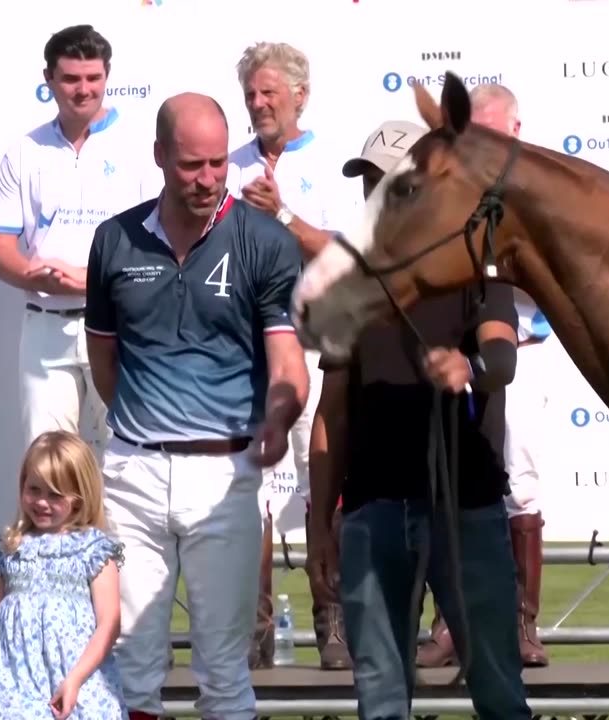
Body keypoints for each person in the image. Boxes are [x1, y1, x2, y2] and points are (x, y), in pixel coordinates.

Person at [84, 92, 309, 720]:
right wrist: (144, 433)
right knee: (131, 663)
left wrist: (280, 414)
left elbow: (288, 363)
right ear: (159, 157)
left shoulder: (264, 240)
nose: (209, 178)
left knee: (224, 669)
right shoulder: (114, 241)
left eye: (217, 163)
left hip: (225, 473)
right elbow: (105, 363)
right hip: (132, 474)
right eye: (191, 165)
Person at [306, 120, 533, 720]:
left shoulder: (474, 264)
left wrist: (472, 364)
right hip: (371, 511)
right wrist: (319, 528)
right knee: (380, 700)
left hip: (467, 507)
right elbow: (331, 414)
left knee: (499, 694)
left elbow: (503, 357)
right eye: (370, 184)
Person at [225, 40, 361, 671]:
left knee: (321, 486)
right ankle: (252, 631)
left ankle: (330, 622)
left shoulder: (333, 162)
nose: (258, 104)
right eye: (252, 93)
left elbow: (349, 253)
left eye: (269, 93)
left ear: (300, 96)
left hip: (320, 342)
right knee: (244, 490)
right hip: (248, 350)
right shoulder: (227, 165)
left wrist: (283, 216)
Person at [417, 82, 551, 670]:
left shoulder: (545, 186)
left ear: (517, 132)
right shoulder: (463, 184)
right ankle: (449, 623)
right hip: (460, 348)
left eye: (492, 135)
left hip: (527, 342)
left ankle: (522, 624)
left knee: (518, 485)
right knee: (451, 480)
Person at [0, 24, 156, 459]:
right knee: (47, 462)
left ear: (107, 76)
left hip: (119, 324)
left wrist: (91, 280)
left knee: (124, 461)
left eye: (94, 78)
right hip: (45, 323)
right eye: (71, 79)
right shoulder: (24, 151)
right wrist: (34, 273)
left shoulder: (139, 147)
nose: (84, 90)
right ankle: (57, 534)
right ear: (49, 80)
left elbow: (160, 246)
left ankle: (116, 534)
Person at [0, 430, 125, 720]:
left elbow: (109, 624)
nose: (42, 502)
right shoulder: (10, 548)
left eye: (55, 494)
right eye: (34, 489)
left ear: (78, 497)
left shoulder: (93, 550)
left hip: (78, 683)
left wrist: (76, 679)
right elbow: (2, 623)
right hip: (16, 687)